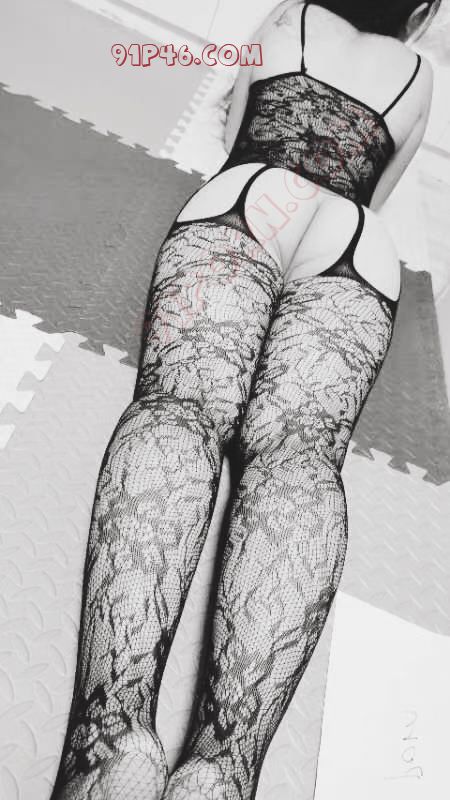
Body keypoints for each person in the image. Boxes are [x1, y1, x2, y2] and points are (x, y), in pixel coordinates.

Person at [50, 2, 439, 799]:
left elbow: (237, 127)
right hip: (356, 236)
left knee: (183, 403)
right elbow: (379, 190)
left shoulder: (292, 15)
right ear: (422, 9)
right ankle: (223, 770)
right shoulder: (418, 72)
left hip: (254, 195)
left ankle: (109, 737)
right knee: (302, 456)